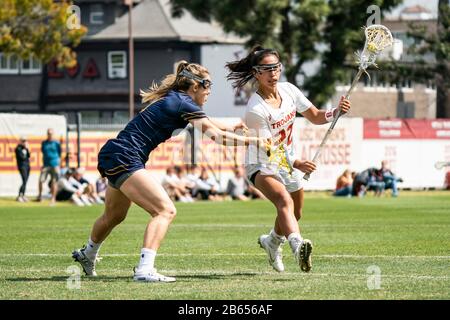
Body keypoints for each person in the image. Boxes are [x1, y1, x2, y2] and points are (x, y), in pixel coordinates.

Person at [72, 60, 268, 283]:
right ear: (195, 86)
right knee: (165, 211)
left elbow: (210, 125)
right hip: (126, 156)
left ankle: (87, 254)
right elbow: (215, 135)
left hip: (116, 153)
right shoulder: (184, 103)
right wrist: (254, 141)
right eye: (208, 86)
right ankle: (144, 269)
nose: (210, 92)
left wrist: (231, 126)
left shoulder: (180, 101)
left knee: (114, 216)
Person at [226, 46, 351, 273]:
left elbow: (314, 115)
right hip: (261, 163)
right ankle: (298, 246)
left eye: (276, 67)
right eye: (267, 69)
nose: (273, 73)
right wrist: (297, 163)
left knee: (296, 212)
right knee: (284, 200)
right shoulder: (255, 109)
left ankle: (272, 242)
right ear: (256, 73)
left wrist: (335, 112)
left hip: (288, 160)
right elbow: (268, 148)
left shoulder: (289, 90)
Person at [36, 128, 61, 205]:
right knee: (41, 180)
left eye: (51, 133)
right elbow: (43, 152)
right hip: (46, 165)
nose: (50, 135)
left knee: (54, 182)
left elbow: (59, 153)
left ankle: (53, 198)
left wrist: (57, 163)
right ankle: (40, 196)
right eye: (48, 133)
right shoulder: (44, 143)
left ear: (53, 134)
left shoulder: (56, 143)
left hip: (54, 165)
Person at [14, 136, 31, 202]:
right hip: (22, 166)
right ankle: (20, 195)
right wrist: (25, 149)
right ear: (20, 141)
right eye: (23, 141)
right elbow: (22, 157)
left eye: (25, 141)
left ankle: (23, 195)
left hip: (27, 166)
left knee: (25, 181)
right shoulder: (18, 148)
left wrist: (28, 149)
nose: (24, 142)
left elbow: (28, 156)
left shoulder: (25, 148)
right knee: (24, 180)